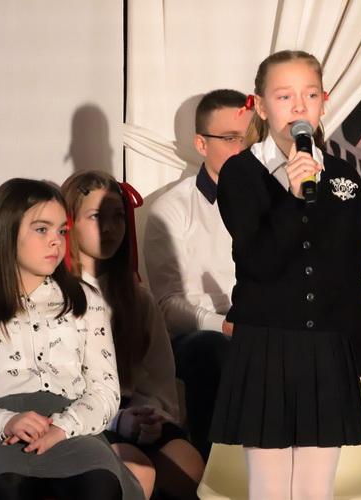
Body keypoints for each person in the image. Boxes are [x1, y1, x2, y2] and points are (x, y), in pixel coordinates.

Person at [209, 49, 361, 500]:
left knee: (316, 491)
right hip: (266, 345)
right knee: (270, 491)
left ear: (324, 102)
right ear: (259, 106)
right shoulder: (240, 172)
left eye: (310, 95)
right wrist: (293, 198)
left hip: (327, 349)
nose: (298, 106)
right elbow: (258, 262)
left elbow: (347, 278)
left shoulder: (343, 177)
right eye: (284, 96)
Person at [0, 178, 143, 500]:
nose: (56, 241)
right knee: (10, 489)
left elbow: (105, 391)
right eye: (42, 229)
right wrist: (5, 421)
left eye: (61, 231)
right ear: (7, 231)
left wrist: (63, 426)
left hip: (70, 430)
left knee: (99, 485)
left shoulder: (86, 301)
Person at [63, 171, 204, 499]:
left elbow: (158, 375)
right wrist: (117, 420)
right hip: (84, 417)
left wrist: (151, 415)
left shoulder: (137, 297)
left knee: (189, 465)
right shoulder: (59, 296)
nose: (110, 228)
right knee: (134, 469)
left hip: (132, 410)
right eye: (96, 217)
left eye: (118, 217)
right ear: (70, 222)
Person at [144, 89, 251, 459]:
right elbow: (167, 307)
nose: (243, 149)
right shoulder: (172, 209)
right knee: (214, 351)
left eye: (249, 138)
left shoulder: (272, 200)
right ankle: (217, 470)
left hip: (259, 326)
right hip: (199, 336)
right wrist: (226, 326)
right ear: (201, 144)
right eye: (231, 138)